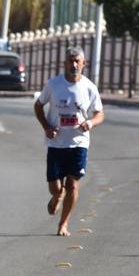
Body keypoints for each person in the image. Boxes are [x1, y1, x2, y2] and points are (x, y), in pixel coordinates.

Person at [34, 47, 105, 237]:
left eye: (77, 61)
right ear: (64, 63)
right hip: (56, 143)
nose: (74, 64)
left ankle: (63, 224)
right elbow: (38, 105)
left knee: (73, 185)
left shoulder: (89, 87)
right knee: (56, 188)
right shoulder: (54, 84)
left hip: (79, 143)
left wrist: (90, 122)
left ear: (84, 63)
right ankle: (57, 196)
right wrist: (47, 127)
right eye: (70, 61)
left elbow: (100, 113)